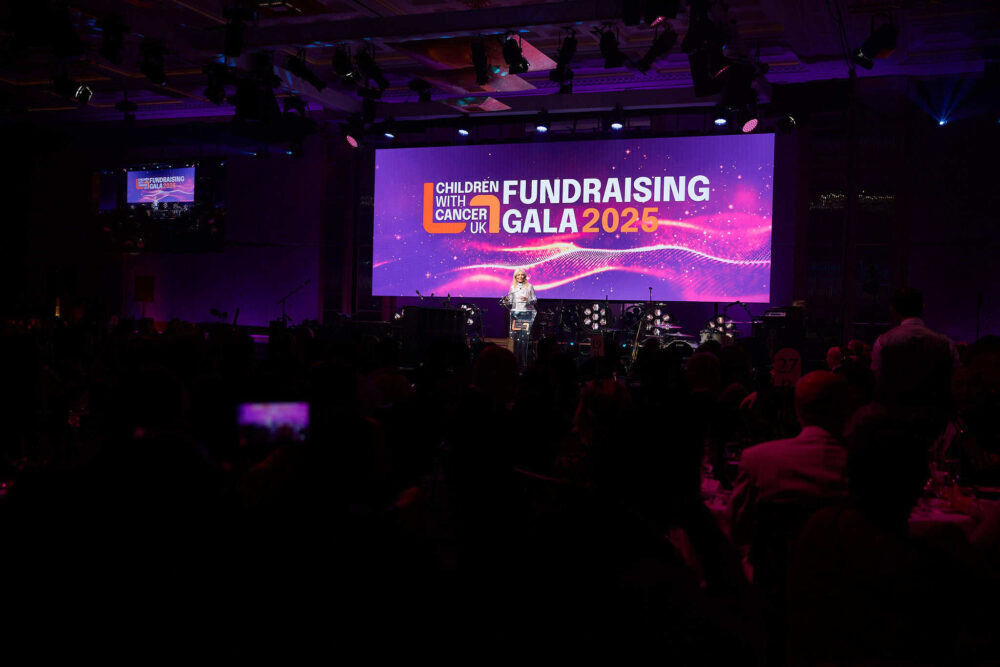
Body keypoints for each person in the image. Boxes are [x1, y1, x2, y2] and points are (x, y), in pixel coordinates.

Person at [728, 370, 852, 547]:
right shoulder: (868, 469)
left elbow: (738, 533)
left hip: (777, 563)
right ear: (847, 410)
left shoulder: (757, 460)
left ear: (798, 410)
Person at [504, 268, 537, 368]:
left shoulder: (529, 286)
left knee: (524, 339)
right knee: (516, 339)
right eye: (518, 275)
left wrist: (528, 299)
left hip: (526, 314)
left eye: (522, 274)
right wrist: (506, 301)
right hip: (515, 315)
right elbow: (510, 301)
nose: (520, 276)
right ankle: (516, 361)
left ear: (525, 276)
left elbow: (534, 300)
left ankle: (524, 363)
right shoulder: (513, 287)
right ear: (515, 276)